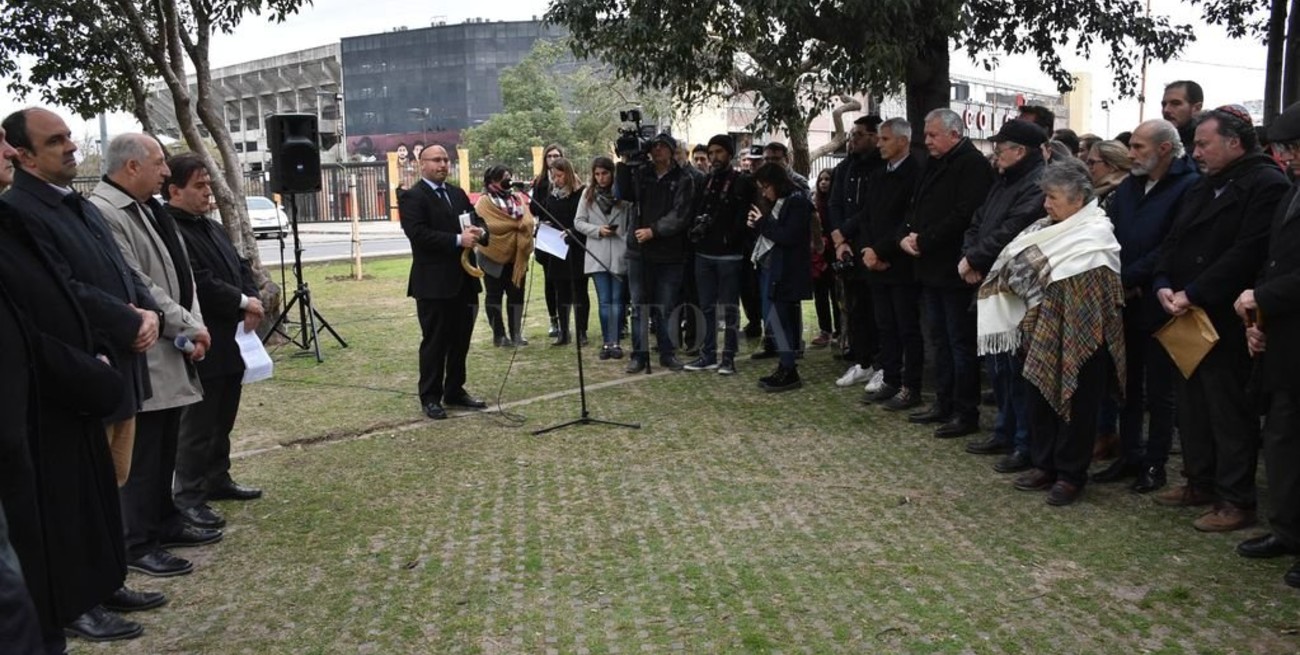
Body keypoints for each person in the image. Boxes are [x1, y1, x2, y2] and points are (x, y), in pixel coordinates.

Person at [1, 108, 162, 642]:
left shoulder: (74, 203)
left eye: (70, 137)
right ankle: (77, 600)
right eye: (56, 141)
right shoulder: (22, 211)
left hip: (100, 368)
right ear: (24, 155)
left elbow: (119, 271)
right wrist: (122, 322)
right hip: (62, 381)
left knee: (99, 486)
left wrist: (143, 311)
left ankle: (105, 579)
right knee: (66, 499)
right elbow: (61, 291)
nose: (71, 147)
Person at [90, 134, 222, 579]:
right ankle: (138, 541)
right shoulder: (106, 213)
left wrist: (194, 324)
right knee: (144, 454)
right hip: (149, 348)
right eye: (160, 163)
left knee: (164, 445)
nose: (167, 172)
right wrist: (190, 324)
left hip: (176, 343)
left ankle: (164, 521)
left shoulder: (148, 208)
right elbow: (138, 284)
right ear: (131, 167)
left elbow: (182, 275)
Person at [1152, 105, 1290, 532]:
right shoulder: (1201, 186)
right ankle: (1199, 480)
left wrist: (1195, 292)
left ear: (1234, 142)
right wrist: (1163, 282)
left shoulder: (1265, 183)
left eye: (1204, 144)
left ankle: (1236, 500)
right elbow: (1172, 241)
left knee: (1229, 410)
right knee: (1192, 405)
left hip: (1227, 316)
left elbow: (1247, 251)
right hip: (1187, 312)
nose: (1196, 152)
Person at [981, 160, 1126, 506]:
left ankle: (1071, 475)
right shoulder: (1043, 229)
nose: (1046, 204)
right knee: (1039, 398)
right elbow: (1013, 266)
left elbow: (1094, 289)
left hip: (1085, 335)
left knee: (1077, 405)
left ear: (1078, 200)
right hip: (1040, 329)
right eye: (1046, 196)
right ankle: (1044, 463)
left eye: (1054, 198)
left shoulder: (1096, 233)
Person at [1089, 120, 1199, 494]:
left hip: (1158, 299)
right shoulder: (1132, 185)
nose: (1131, 153)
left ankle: (1155, 463)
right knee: (1126, 382)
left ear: (1164, 149)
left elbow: (1173, 243)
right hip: (1123, 298)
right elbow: (1110, 233)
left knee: (1159, 389)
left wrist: (1132, 278)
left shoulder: (1188, 185)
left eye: (1138, 147)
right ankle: (1129, 454)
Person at [166, 154, 267, 527]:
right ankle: (189, 495)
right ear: (174, 190)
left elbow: (240, 265)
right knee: (198, 423)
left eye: (209, 185)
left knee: (224, 414)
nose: (208, 193)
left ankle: (217, 477)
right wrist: (242, 301)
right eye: (199, 186)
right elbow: (198, 281)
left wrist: (250, 297)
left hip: (232, 336)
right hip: (203, 335)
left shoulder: (210, 226)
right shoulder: (172, 229)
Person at [1231, 101, 1300, 585]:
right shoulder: (1293, 191)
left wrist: (1265, 296)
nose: (1288, 157)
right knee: (1282, 439)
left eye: (1294, 149)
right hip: (1285, 338)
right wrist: (1261, 318)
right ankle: (1289, 530)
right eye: (1285, 148)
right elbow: (1276, 258)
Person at [959, 119, 1048, 471]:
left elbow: (1016, 229)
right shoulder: (1004, 179)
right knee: (998, 367)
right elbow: (978, 221)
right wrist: (971, 257)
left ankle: (1024, 442)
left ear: (1020, 151)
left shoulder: (1038, 183)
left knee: (1017, 369)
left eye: (1001, 148)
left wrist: (976, 258)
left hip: (1016, 286)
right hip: (989, 282)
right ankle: (1005, 430)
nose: (995, 154)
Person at [900, 108, 995, 438]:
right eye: (925, 135)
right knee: (939, 340)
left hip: (954, 268)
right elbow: (918, 204)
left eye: (933, 135)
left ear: (955, 134)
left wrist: (924, 240)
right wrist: (909, 235)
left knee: (959, 343)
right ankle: (943, 401)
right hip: (929, 267)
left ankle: (964, 410)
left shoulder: (972, 165)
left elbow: (963, 214)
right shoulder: (935, 162)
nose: (926, 141)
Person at [399, 144, 487, 420]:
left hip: (464, 280)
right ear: (421, 164)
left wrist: (480, 231)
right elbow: (418, 234)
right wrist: (459, 240)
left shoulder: (457, 193)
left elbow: (477, 220)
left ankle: (455, 390)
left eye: (446, 160)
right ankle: (430, 396)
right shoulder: (413, 197)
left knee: (461, 340)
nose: (442, 165)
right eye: (436, 160)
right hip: (433, 283)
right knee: (435, 341)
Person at [849, 117, 924, 410]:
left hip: (900, 263)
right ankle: (890, 378)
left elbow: (907, 220)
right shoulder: (879, 174)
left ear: (903, 141)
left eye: (885, 139)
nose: (879, 144)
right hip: (875, 262)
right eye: (879, 139)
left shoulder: (916, 173)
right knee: (885, 326)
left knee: (907, 327)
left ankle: (911, 386)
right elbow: (866, 215)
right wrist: (867, 249)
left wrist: (881, 251)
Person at [616, 133, 695, 373]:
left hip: (669, 253)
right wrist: (626, 162)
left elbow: (680, 214)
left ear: (672, 151)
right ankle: (639, 354)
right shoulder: (642, 173)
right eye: (655, 146)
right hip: (639, 252)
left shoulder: (684, 178)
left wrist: (654, 230)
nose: (658, 150)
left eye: (663, 147)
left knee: (666, 305)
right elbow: (624, 194)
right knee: (639, 305)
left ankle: (667, 352)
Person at [682, 135, 754, 375]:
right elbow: (695, 211)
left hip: (730, 256)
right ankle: (708, 354)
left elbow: (744, 217)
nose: (714, 158)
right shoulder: (705, 181)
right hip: (703, 253)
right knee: (706, 307)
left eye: (719, 152)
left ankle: (729, 356)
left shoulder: (742, 182)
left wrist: (731, 238)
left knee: (730, 308)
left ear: (730, 154)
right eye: (711, 153)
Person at [828, 115, 884, 389]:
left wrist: (845, 231)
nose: (853, 139)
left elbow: (872, 208)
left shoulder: (882, 167)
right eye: (852, 134)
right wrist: (839, 240)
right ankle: (863, 362)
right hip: (847, 249)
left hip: (873, 246)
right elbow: (834, 203)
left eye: (860, 134)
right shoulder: (845, 168)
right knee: (856, 309)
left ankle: (883, 364)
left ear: (875, 137)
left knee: (880, 310)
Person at [748, 162, 813, 392]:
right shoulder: (780, 202)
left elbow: (787, 236)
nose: (764, 192)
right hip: (772, 267)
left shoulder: (797, 201)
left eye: (766, 187)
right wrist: (758, 224)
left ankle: (789, 368)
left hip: (787, 271)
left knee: (780, 320)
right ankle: (785, 365)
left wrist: (762, 222)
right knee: (773, 319)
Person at [574, 156, 630, 360]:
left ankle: (616, 341)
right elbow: (578, 222)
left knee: (617, 300)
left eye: (604, 173)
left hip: (619, 251)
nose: (601, 178)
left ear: (612, 173)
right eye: (597, 174)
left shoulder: (623, 194)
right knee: (604, 301)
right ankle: (607, 342)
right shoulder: (588, 194)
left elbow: (631, 220)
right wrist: (598, 230)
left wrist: (621, 234)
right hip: (596, 253)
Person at [474, 165, 534, 348]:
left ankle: (516, 333)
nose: (508, 179)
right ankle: (499, 336)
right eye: (503, 177)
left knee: (516, 296)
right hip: (492, 257)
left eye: (509, 175)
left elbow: (528, 221)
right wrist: (515, 226)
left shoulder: (517, 198)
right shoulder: (484, 202)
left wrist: (521, 226)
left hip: (517, 258)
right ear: (492, 181)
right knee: (494, 296)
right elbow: (490, 226)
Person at [535, 157, 589, 346]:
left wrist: (572, 232)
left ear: (567, 173)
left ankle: (582, 331)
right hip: (557, 250)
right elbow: (547, 216)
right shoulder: (551, 196)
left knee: (580, 292)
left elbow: (584, 221)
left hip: (576, 247)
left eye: (559, 175)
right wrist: (544, 226)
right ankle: (564, 332)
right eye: (553, 176)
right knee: (561, 292)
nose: (556, 179)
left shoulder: (581, 194)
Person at [534, 143, 565, 338]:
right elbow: (534, 209)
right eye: (550, 156)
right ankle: (553, 319)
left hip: (564, 235)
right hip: (547, 235)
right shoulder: (539, 183)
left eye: (557, 156)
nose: (553, 159)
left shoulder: (571, 181)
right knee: (549, 279)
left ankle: (566, 319)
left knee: (565, 281)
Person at [810, 168, 841, 348]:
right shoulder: (815, 204)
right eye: (821, 179)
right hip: (819, 257)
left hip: (834, 254)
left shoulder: (836, 204)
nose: (823, 182)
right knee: (820, 295)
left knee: (836, 295)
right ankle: (825, 330)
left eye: (827, 179)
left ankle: (839, 330)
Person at [1085, 140, 1132, 211]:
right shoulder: (1101, 191)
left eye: (1092, 162)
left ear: (1112, 166)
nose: (1088, 168)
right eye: (1087, 163)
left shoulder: (1121, 195)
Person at [1162, 80, 1205, 157]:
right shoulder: (1158, 142)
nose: (1166, 110)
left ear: (1197, 108)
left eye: (1175, 103)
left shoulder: (1205, 147)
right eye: (1164, 104)